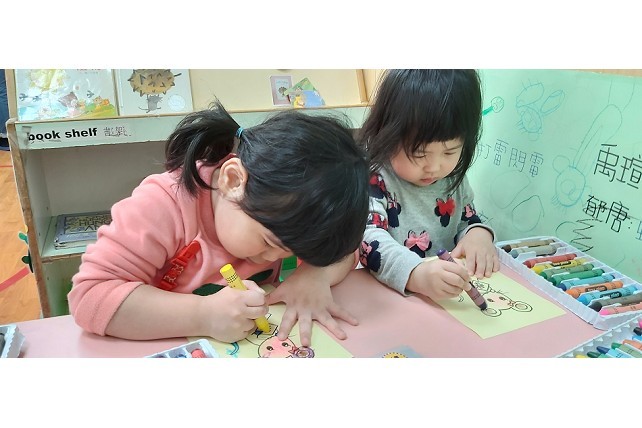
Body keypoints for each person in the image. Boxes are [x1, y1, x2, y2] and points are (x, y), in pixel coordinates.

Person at [69, 100, 369, 346]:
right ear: (233, 180)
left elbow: (346, 250)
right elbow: (90, 297)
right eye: (269, 242)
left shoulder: (274, 209)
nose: (276, 257)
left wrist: (314, 275)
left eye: (292, 251)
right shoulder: (161, 205)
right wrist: (203, 315)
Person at [357, 69, 499, 302]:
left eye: (449, 152)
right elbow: (368, 239)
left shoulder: (452, 177)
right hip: (388, 299)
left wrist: (478, 234)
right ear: (387, 133)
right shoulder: (375, 177)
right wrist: (416, 273)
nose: (434, 167)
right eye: (419, 153)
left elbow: (467, 220)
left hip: (444, 301)